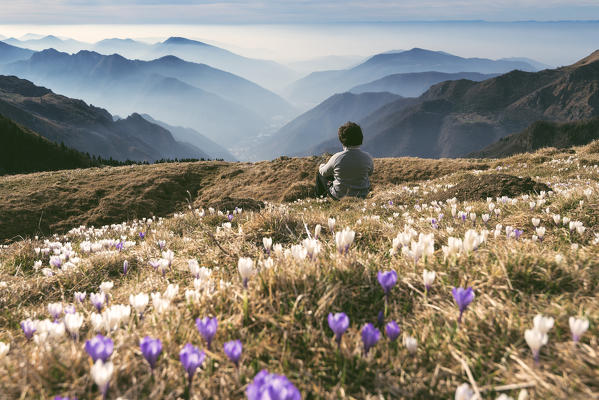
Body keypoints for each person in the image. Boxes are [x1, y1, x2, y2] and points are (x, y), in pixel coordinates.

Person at [315, 121, 374, 199]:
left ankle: (320, 199)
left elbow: (323, 173)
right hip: (362, 195)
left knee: (320, 174)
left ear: (342, 139)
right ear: (360, 138)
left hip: (340, 196)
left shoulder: (337, 157)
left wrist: (321, 165)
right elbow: (369, 173)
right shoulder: (368, 157)